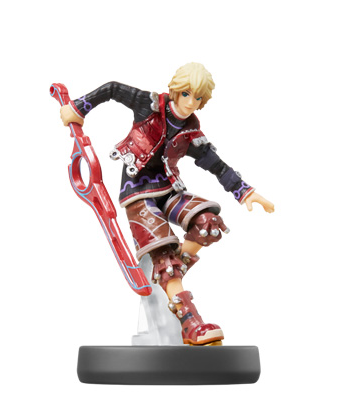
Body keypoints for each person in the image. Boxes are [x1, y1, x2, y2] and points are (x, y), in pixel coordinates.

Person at [60, 62, 274, 345]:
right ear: (176, 90)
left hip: (169, 190)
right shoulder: (148, 105)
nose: (191, 103)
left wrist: (245, 192)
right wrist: (79, 107)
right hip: (137, 192)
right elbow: (112, 89)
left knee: (208, 222)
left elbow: (217, 165)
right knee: (166, 261)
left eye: (198, 98)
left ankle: (170, 273)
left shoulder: (190, 131)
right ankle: (189, 322)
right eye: (186, 94)